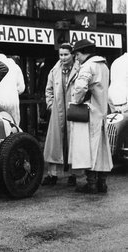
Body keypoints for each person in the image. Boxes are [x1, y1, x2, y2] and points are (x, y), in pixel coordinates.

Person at [68, 39, 113, 194]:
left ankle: (91, 184)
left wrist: (76, 100)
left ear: (84, 53)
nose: (77, 58)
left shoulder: (87, 66)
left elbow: (80, 88)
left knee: (88, 149)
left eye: (77, 54)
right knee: (102, 149)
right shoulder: (104, 66)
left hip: (89, 113)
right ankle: (102, 183)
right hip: (101, 112)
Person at [41, 43, 80, 186]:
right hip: (57, 113)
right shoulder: (54, 71)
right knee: (55, 144)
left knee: (73, 142)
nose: (63, 57)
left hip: (74, 112)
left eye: (66, 54)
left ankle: (73, 175)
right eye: (61, 55)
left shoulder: (79, 69)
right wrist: (51, 106)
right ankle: (53, 175)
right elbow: (48, 90)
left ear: (73, 54)